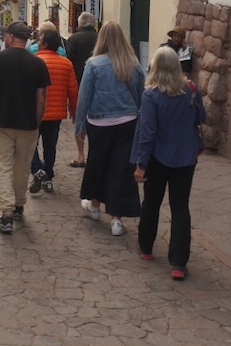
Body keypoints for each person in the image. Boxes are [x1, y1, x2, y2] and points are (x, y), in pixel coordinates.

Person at [132, 47, 206, 280]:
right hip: (185, 157)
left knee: (152, 202)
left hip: (157, 158)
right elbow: (201, 117)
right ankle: (178, 263)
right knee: (180, 207)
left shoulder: (151, 95)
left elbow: (147, 133)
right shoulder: (191, 89)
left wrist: (141, 164)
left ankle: (146, 247)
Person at [74, 22, 146, 237]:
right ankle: (116, 219)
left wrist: (80, 125)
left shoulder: (93, 64)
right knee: (121, 169)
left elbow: (84, 97)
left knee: (98, 165)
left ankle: (95, 206)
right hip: (127, 122)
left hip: (99, 123)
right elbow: (140, 95)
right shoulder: (133, 64)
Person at [0, 21, 50, 235]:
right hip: (28, 122)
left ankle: (7, 214)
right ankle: (19, 205)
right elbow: (41, 98)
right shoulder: (37, 63)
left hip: (1, 121)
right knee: (22, 166)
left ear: (10, 37)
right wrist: (37, 121)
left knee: (2, 167)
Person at [29, 29, 79, 194]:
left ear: (45, 44)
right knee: (50, 146)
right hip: (56, 113)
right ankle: (48, 176)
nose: (37, 42)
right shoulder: (66, 63)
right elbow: (73, 90)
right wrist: (74, 109)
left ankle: (37, 170)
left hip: (36, 111)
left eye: (40, 40)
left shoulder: (34, 62)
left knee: (31, 144)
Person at [65, 12, 99, 168]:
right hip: (99, 85)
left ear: (79, 24)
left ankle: (80, 155)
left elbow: (69, 63)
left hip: (79, 84)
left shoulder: (73, 39)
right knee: (96, 119)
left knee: (80, 119)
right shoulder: (100, 37)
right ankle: (94, 153)